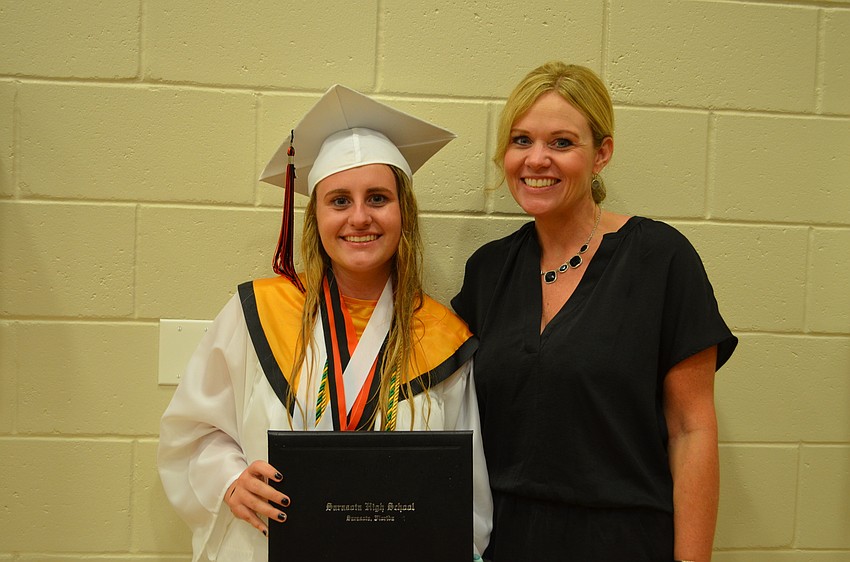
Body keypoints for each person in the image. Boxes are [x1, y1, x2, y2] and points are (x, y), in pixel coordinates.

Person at [158, 84, 492, 561]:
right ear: (315, 215)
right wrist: (230, 480)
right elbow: (192, 433)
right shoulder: (258, 313)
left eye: (378, 198)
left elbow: (467, 498)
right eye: (339, 200)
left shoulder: (442, 338)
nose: (360, 217)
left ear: (404, 214)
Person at [451, 62, 738, 561]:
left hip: (621, 542)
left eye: (561, 143)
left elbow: (692, 431)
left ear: (601, 153)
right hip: (504, 543)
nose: (536, 159)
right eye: (521, 141)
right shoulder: (488, 271)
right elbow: (445, 414)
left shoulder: (660, 260)